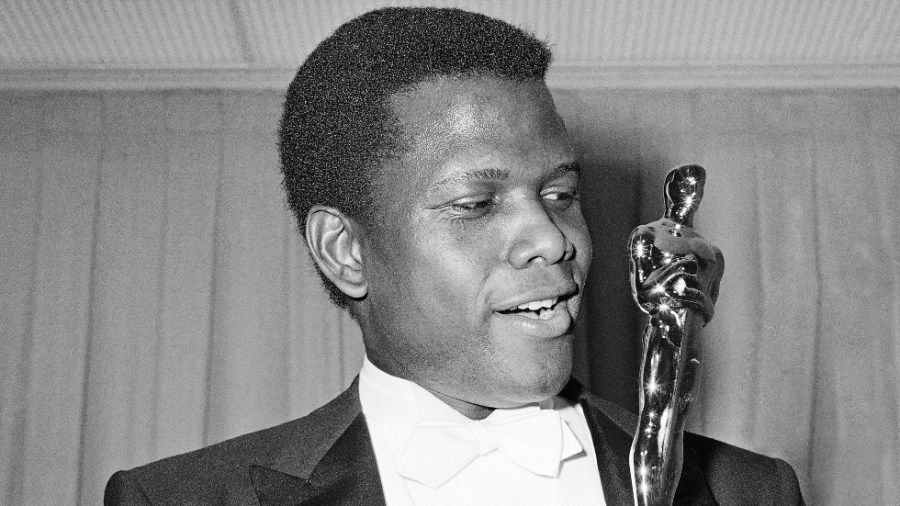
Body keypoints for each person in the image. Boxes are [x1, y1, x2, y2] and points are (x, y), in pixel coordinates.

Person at [105, 7, 804, 505]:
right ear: (345, 251)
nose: (556, 240)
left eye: (561, 194)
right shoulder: (177, 498)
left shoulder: (746, 491)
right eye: (475, 204)